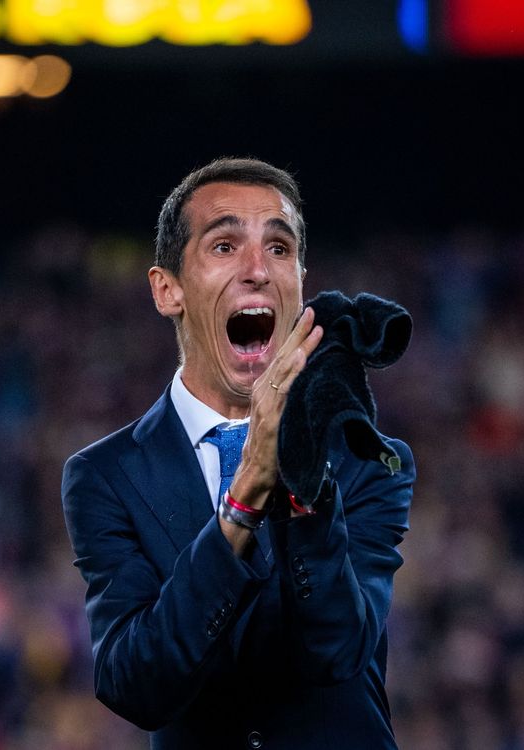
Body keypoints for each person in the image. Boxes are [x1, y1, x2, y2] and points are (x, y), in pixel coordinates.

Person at [61, 157, 415, 749]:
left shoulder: (363, 459)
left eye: (279, 248)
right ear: (167, 289)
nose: (257, 269)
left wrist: (303, 477)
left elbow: (338, 654)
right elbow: (135, 685)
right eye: (225, 246)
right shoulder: (105, 475)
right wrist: (244, 499)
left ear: (300, 278)